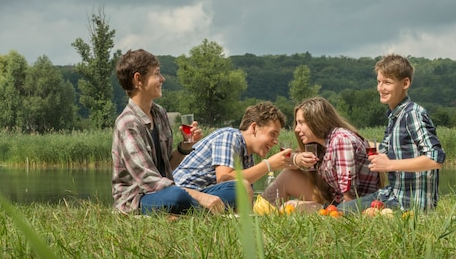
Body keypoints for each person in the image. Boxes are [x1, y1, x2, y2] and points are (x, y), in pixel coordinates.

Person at [112, 49, 231, 215]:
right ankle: (204, 210)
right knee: (177, 196)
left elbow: (166, 166)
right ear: (138, 79)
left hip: (164, 190)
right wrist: (199, 196)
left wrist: (185, 147)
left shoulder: (160, 114)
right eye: (157, 74)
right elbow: (149, 180)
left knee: (236, 187)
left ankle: (194, 209)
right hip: (139, 198)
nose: (162, 79)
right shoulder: (128, 124)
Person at [340, 54, 446, 213]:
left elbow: (435, 158)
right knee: (339, 209)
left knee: (343, 214)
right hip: (392, 194)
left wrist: (389, 165)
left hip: (410, 205)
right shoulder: (395, 116)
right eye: (379, 82)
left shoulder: (413, 114)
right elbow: (384, 150)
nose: (380, 88)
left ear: (405, 83)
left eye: (387, 83)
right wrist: (350, 138)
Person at [260, 97, 379, 213]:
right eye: (296, 123)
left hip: (355, 206)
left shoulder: (341, 140)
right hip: (334, 201)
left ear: (316, 121)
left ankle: (262, 213)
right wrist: (297, 159)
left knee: (292, 207)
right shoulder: (321, 144)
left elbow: (350, 195)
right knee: (288, 175)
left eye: (301, 122)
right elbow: (285, 160)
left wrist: (326, 210)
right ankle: (261, 211)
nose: (296, 129)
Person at [173, 101, 292, 208]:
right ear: (254, 127)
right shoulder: (229, 136)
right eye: (272, 134)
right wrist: (268, 165)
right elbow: (224, 179)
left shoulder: (247, 156)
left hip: (207, 196)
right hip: (182, 194)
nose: (275, 141)